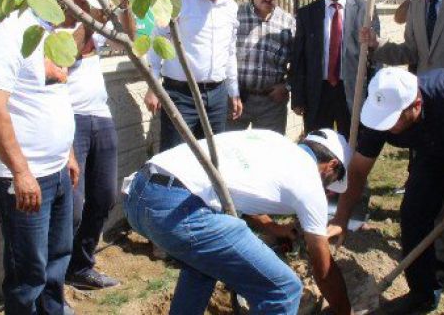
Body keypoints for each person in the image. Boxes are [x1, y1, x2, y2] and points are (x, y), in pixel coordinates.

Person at [327, 67, 444, 313]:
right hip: (434, 153)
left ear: (416, 104)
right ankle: (423, 293)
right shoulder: (380, 115)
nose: (388, 127)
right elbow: (357, 171)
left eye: (395, 120)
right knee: (413, 212)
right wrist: (340, 219)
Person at [123, 129, 353, 314]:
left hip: (139, 195)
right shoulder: (310, 181)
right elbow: (323, 267)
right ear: (332, 165)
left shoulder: (270, 139)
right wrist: (344, 310)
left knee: (201, 269)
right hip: (179, 207)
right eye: (333, 182)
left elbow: (233, 188)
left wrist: (272, 227)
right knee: (284, 290)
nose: (329, 192)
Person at [0, 0, 81, 314]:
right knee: (28, 275)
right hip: (22, 179)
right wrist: (22, 172)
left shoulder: (48, 34)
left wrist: (66, 152)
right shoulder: (8, 33)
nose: (78, 6)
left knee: (56, 262)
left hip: (55, 171)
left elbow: (51, 96)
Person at [40, 0, 138, 291]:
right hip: (70, 123)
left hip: (101, 115)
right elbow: (63, 58)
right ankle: (57, 277)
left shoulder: (88, 19)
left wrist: (123, 8)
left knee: (105, 196)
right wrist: (91, 20)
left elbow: (128, 40)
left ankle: (81, 266)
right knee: (73, 208)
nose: (83, 3)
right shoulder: (45, 27)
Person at [144, 0, 243, 151]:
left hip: (217, 96)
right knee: (176, 157)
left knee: (213, 156)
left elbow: (230, 51)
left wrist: (233, 91)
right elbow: (157, 43)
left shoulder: (231, 7)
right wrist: (153, 86)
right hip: (181, 96)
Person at [290, 0, 379, 132]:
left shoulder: (365, 12)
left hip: (352, 92)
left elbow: (375, 58)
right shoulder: (307, 14)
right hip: (318, 93)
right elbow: (299, 59)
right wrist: (298, 97)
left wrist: (374, 95)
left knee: (352, 145)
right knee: (318, 147)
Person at [227, 0, 296, 135]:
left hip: (271, 104)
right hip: (235, 100)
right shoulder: (235, 16)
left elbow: (301, 62)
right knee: (229, 151)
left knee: (268, 154)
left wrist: (287, 86)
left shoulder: (289, 23)